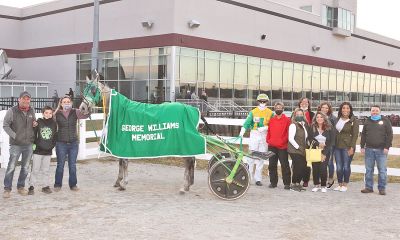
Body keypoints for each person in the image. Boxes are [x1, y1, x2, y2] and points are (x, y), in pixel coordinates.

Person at [3, 91, 37, 198]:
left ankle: (21, 186)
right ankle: (7, 189)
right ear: (19, 99)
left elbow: (33, 122)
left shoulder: (32, 110)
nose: (26, 101)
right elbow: (6, 125)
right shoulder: (12, 111)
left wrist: (35, 124)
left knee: (25, 167)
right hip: (16, 145)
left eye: (28, 99)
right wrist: (15, 136)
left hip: (28, 144)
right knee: (11, 166)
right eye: (24, 98)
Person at [54, 96, 90, 191]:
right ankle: (58, 184)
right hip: (61, 143)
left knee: (72, 165)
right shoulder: (57, 113)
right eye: (64, 102)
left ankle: (73, 184)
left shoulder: (75, 111)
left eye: (68, 102)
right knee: (60, 165)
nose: (66, 103)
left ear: (71, 103)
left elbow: (85, 115)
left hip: (73, 143)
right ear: (61, 103)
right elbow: (49, 121)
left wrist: (88, 108)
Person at [239, 93, 274, 186]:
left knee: (261, 157)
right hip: (254, 134)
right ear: (258, 101)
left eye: (264, 101)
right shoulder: (253, 112)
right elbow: (246, 123)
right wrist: (242, 132)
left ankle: (258, 179)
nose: (262, 103)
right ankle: (249, 177)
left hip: (264, 135)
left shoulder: (271, 113)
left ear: (267, 102)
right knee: (251, 156)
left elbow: (273, 125)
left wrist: (265, 128)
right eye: (261, 101)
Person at [360, 105, 393, 195]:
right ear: (371, 112)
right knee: (369, 170)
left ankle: (382, 188)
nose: (374, 112)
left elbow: (390, 134)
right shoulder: (367, 121)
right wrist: (362, 146)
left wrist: (387, 147)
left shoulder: (386, 121)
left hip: (381, 150)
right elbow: (363, 135)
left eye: (376, 111)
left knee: (382, 170)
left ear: (380, 111)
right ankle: (368, 187)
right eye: (373, 111)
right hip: (369, 150)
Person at [28, 106, 57, 195]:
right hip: (38, 150)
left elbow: (55, 136)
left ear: (52, 114)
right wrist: (34, 146)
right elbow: (33, 134)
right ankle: (31, 186)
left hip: (48, 151)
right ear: (43, 113)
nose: (48, 114)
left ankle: (45, 186)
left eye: (50, 113)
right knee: (35, 169)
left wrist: (52, 146)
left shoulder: (54, 123)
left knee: (46, 170)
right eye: (46, 113)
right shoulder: (38, 122)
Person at [333, 102, 359, 192]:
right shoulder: (337, 119)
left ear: (350, 110)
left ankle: (345, 184)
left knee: (346, 166)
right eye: (344, 108)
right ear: (341, 109)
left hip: (347, 147)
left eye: (347, 108)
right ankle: (339, 184)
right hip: (337, 146)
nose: (345, 110)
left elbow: (355, 135)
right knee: (339, 166)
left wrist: (352, 147)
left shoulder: (353, 120)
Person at [266, 102, 291, 189]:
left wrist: (283, 141)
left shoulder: (287, 120)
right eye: (276, 108)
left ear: (283, 109)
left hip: (282, 146)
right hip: (272, 145)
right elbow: (269, 131)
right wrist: (268, 140)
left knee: (284, 165)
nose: (278, 109)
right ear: (274, 109)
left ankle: (287, 183)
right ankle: (273, 183)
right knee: (272, 165)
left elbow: (288, 133)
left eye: (280, 108)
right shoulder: (272, 120)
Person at [309, 112, 332, 193]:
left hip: (325, 151)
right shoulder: (312, 127)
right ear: (315, 118)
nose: (319, 119)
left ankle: (323, 185)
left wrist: (324, 153)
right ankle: (316, 185)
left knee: (323, 168)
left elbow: (330, 142)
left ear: (324, 118)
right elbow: (310, 139)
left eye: (321, 117)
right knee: (315, 168)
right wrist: (318, 144)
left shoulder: (329, 128)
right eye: (317, 117)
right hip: (315, 150)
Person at [288, 108, 308, 192]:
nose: (299, 116)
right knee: (298, 167)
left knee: (302, 167)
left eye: (301, 114)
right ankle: (293, 184)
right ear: (294, 115)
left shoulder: (304, 125)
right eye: (297, 114)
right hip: (295, 150)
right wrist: (298, 147)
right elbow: (291, 139)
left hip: (302, 150)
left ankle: (298, 183)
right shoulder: (293, 125)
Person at [317, 102, 337, 188]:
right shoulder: (317, 116)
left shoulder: (332, 118)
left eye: (326, 108)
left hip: (329, 144)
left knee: (329, 162)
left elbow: (334, 132)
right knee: (319, 161)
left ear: (329, 109)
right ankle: (320, 179)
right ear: (320, 108)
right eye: (323, 107)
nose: (324, 109)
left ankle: (330, 179)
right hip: (319, 144)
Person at [298, 97, 314, 187]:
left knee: (307, 162)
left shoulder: (312, 114)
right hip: (298, 141)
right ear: (300, 103)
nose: (304, 103)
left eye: (306, 102)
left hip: (308, 141)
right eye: (302, 102)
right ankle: (297, 179)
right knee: (298, 162)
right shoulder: (295, 113)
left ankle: (306, 180)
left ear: (308, 104)